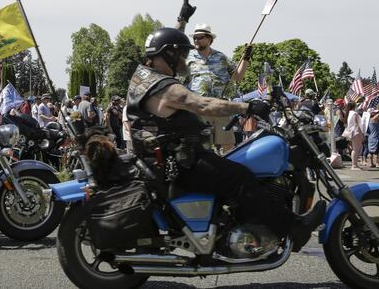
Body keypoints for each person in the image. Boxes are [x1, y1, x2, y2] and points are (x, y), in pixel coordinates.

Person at [126, 27, 324, 244]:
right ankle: (294, 228)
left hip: (170, 157)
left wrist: (182, 21)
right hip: (178, 161)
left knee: (229, 168)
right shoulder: (161, 85)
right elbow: (203, 103)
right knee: (241, 178)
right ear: (169, 54)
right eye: (181, 54)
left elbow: (234, 76)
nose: (184, 59)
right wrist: (246, 107)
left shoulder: (144, 76)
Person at [174, 0, 252, 151]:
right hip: (198, 108)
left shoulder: (221, 57)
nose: (196, 40)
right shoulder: (187, 57)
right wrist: (182, 19)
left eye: (200, 37)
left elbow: (238, 76)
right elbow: (174, 40)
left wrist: (246, 58)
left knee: (228, 146)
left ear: (209, 39)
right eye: (194, 38)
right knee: (201, 147)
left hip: (220, 107)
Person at [344, 101, 365, 170]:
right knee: (356, 149)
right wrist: (361, 133)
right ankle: (354, 165)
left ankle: (355, 164)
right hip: (356, 132)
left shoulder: (349, 113)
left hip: (352, 132)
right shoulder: (354, 113)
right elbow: (356, 124)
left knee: (356, 149)